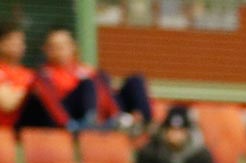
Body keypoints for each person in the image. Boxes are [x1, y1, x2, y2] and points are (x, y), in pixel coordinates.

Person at [20, 28, 151, 131]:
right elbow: (53, 103)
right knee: (88, 83)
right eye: (53, 46)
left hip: (102, 112)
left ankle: (140, 123)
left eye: (63, 45)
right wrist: (67, 124)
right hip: (69, 115)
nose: (59, 50)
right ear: (46, 50)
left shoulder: (86, 70)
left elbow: (105, 93)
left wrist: (114, 114)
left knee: (135, 80)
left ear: (72, 47)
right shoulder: (44, 74)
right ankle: (93, 122)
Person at [0, 22, 33, 133]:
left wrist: (17, 91)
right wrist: (28, 89)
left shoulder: (30, 74)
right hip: (5, 130)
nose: (18, 45)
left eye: (21, 41)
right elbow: (8, 104)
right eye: (13, 41)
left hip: (27, 128)